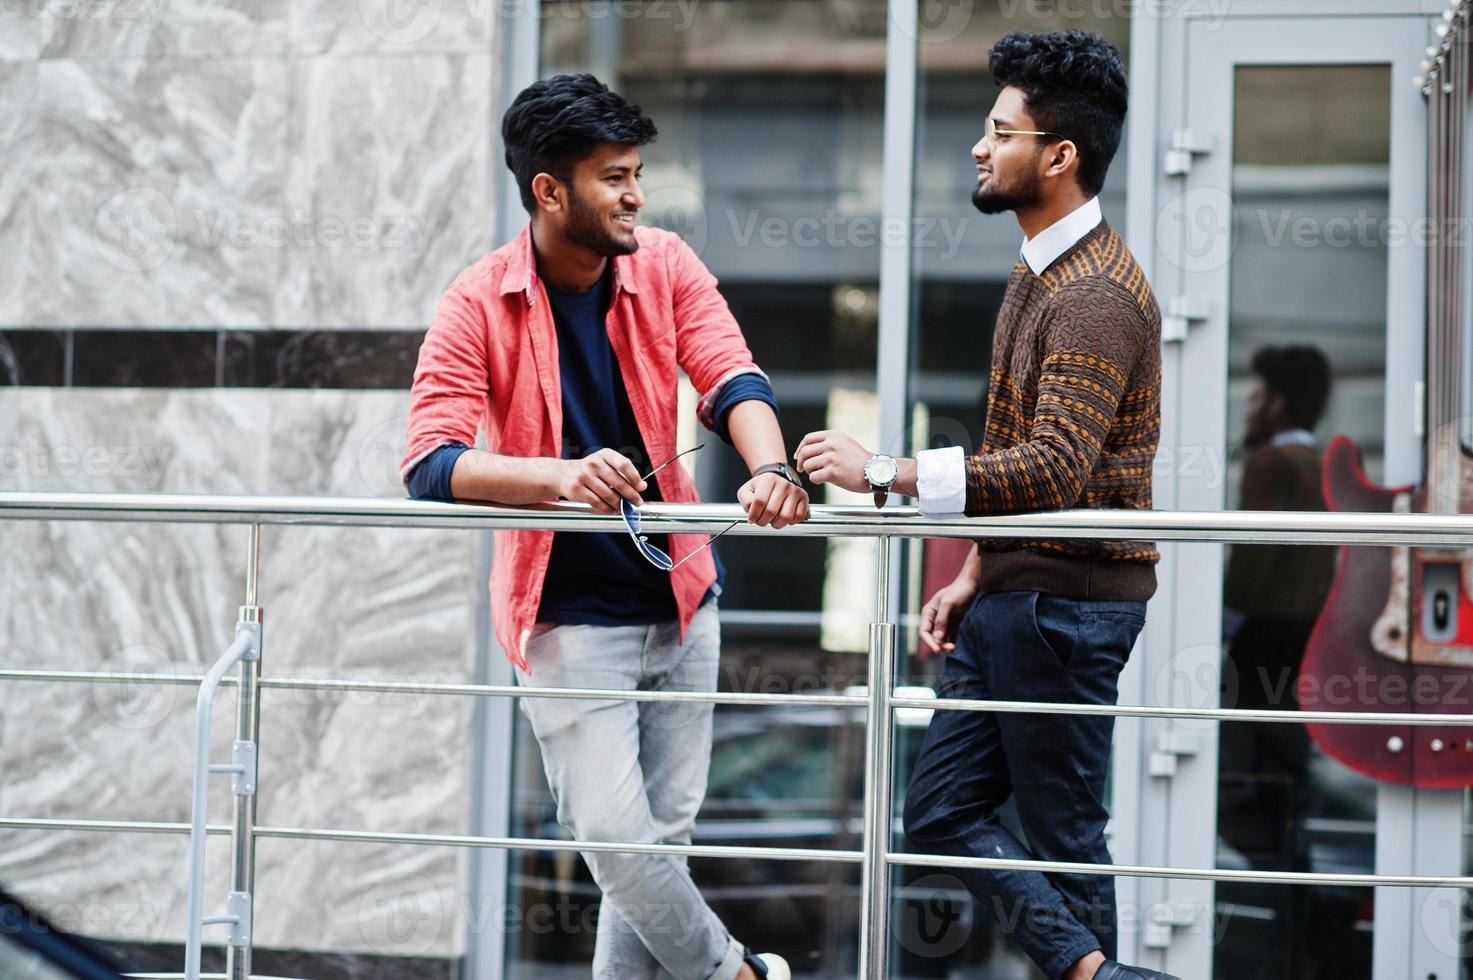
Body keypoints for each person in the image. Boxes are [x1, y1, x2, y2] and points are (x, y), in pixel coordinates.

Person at [400, 73, 808, 980]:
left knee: (659, 844)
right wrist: (560, 475)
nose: (635, 195)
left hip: (683, 595)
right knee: (617, 842)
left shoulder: (663, 263)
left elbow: (730, 376)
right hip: (569, 619)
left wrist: (771, 467)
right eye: (613, 177)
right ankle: (736, 975)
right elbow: (430, 464)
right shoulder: (478, 300)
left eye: (635, 174)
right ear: (549, 190)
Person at [796, 31, 1173, 980]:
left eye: (1001, 131)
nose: (978, 145)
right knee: (940, 812)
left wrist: (882, 471)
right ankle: (1093, 972)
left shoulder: (1094, 296)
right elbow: (1023, 451)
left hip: (1066, 607)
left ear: (1059, 156)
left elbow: (1049, 469)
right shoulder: (1038, 270)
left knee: (1063, 834)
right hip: (1020, 592)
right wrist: (974, 568)